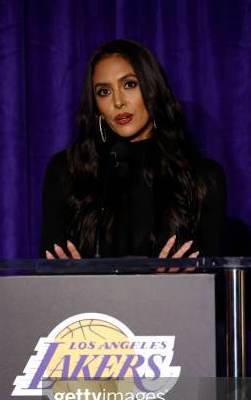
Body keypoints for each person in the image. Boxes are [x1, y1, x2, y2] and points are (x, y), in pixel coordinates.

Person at [41, 39, 226, 260]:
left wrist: (181, 281)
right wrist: (71, 281)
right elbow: (49, 271)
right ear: (96, 106)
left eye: (129, 84)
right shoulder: (67, 171)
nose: (118, 102)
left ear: (152, 88)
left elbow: (214, 279)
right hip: (85, 297)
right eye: (104, 91)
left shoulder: (203, 177)